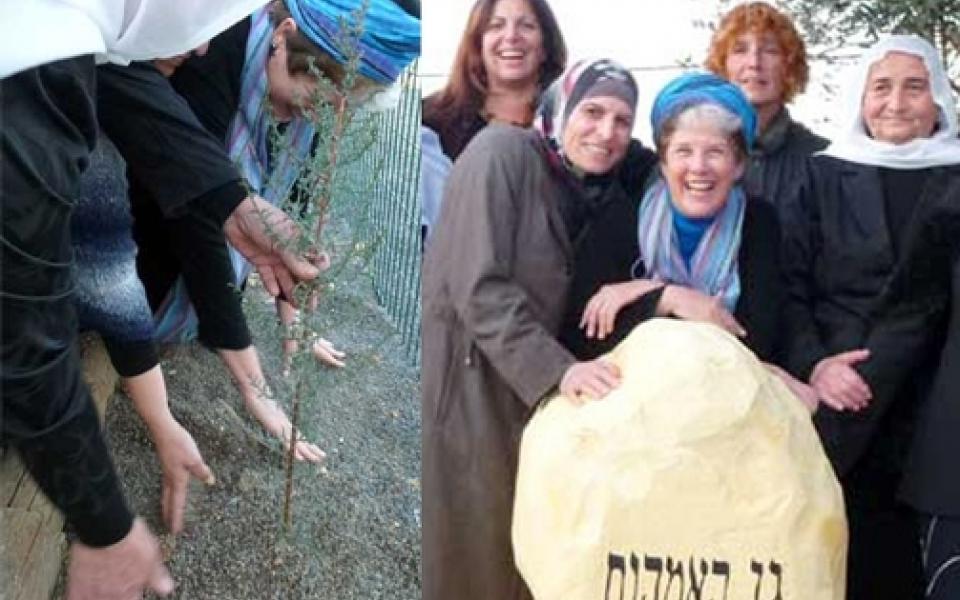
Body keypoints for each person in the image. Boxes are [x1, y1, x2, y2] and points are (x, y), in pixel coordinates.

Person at [0, 2, 322, 597]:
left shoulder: (78, 45)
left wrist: (233, 200)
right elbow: (24, 327)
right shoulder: (31, 68)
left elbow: (123, 91)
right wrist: (105, 525)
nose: (203, 48)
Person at [116, 0, 419, 462]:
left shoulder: (313, 97)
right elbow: (199, 216)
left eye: (342, 108)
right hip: (149, 231)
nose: (322, 117)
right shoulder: (213, 50)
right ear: (284, 35)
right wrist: (255, 388)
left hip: (214, 245)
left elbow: (289, 206)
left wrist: (293, 316)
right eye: (314, 95)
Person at [422, 58, 645, 600]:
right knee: (470, 561)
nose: (607, 131)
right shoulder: (503, 155)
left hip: (519, 398)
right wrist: (559, 371)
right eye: (592, 111)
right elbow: (479, 286)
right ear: (559, 109)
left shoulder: (588, 190)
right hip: (467, 392)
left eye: (622, 120)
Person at [781, 34, 960, 600]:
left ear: (940, 100)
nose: (897, 103)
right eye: (881, 87)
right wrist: (816, 365)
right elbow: (790, 287)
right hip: (841, 405)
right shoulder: (820, 175)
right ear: (861, 97)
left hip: (935, 414)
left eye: (915, 87)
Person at [565, 72, 826, 411]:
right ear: (663, 162)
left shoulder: (758, 222)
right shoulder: (624, 218)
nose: (698, 167)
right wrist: (667, 297)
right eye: (683, 151)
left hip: (726, 402)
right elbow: (587, 333)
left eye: (715, 152)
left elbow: (754, 336)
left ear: (738, 166)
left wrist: (641, 293)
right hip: (636, 403)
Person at [705, 1, 827, 210]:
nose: (754, 62)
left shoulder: (821, 162)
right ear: (722, 65)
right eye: (740, 50)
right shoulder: (693, 154)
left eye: (770, 50)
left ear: (789, 66)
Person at [422, 0, 567, 160]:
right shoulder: (430, 120)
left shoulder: (569, 125)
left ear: (546, 46)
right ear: (478, 44)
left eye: (526, 25)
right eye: (496, 25)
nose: (511, 36)